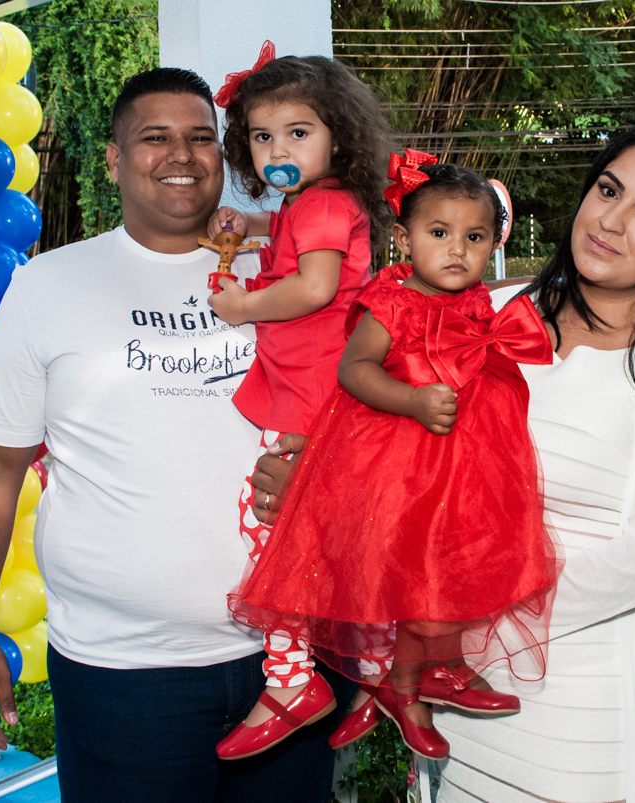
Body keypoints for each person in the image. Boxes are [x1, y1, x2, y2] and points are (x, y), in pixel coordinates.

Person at [251, 124, 635, 802]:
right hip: (451, 696)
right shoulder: (486, 312)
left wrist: (457, 624)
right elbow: (398, 448)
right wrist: (317, 482)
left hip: (579, 700)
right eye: (607, 190)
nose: (611, 219)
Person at [0, 68, 353, 803]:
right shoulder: (50, 285)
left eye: (201, 137)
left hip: (293, 657)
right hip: (121, 674)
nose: (182, 155)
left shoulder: (290, 266)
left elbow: (371, 411)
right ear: (112, 158)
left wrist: (325, 476)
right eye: (154, 137)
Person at [227, 155, 560, 763]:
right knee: (407, 574)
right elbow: (352, 371)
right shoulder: (393, 301)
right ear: (405, 240)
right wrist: (410, 399)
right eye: (440, 234)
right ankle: (400, 693)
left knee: (454, 565)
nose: (457, 249)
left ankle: (440, 672)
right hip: (398, 459)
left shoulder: (479, 301)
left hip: (463, 461)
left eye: (474, 237)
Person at [199, 48, 392, 760]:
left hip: (310, 396)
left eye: (297, 133)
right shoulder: (314, 202)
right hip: (326, 391)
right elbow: (305, 254)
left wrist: (242, 304)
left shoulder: (317, 203)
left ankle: (290, 680)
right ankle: (377, 672)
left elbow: (312, 288)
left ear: (337, 134)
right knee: (343, 542)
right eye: (261, 136)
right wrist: (247, 229)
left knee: (273, 530)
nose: (278, 149)